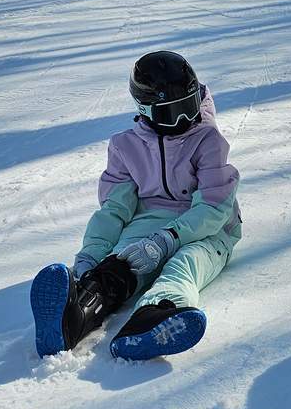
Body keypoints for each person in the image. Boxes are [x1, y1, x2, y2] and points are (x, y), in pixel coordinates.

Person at [30, 51, 241, 359]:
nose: (185, 119)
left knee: (185, 263)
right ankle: (75, 315)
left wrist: (168, 239)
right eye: (172, 113)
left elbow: (213, 206)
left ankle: (157, 316)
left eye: (189, 107)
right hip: (147, 224)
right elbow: (114, 211)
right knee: (120, 266)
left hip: (210, 230)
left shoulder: (207, 139)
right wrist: (92, 254)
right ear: (146, 111)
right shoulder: (125, 147)